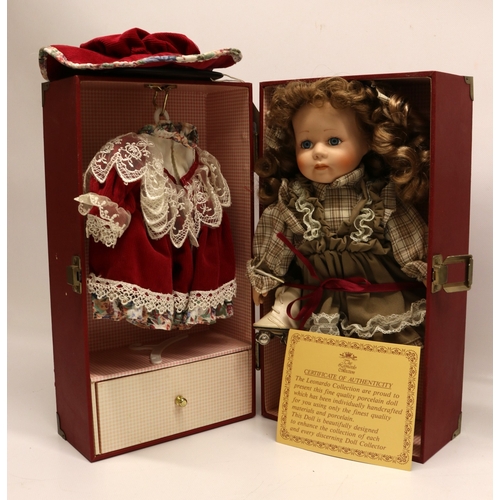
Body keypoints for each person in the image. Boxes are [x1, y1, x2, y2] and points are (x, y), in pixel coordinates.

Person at [247, 77, 429, 345]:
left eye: (333, 140)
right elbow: (277, 239)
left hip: (376, 300)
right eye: (306, 144)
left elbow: (409, 241)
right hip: (322, 303)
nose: (318, 152)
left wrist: (426, 273)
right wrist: (264, 277)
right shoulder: (294, 202)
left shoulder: (381, 199)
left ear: (367, 142)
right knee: (325, 356)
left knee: (380, 349)